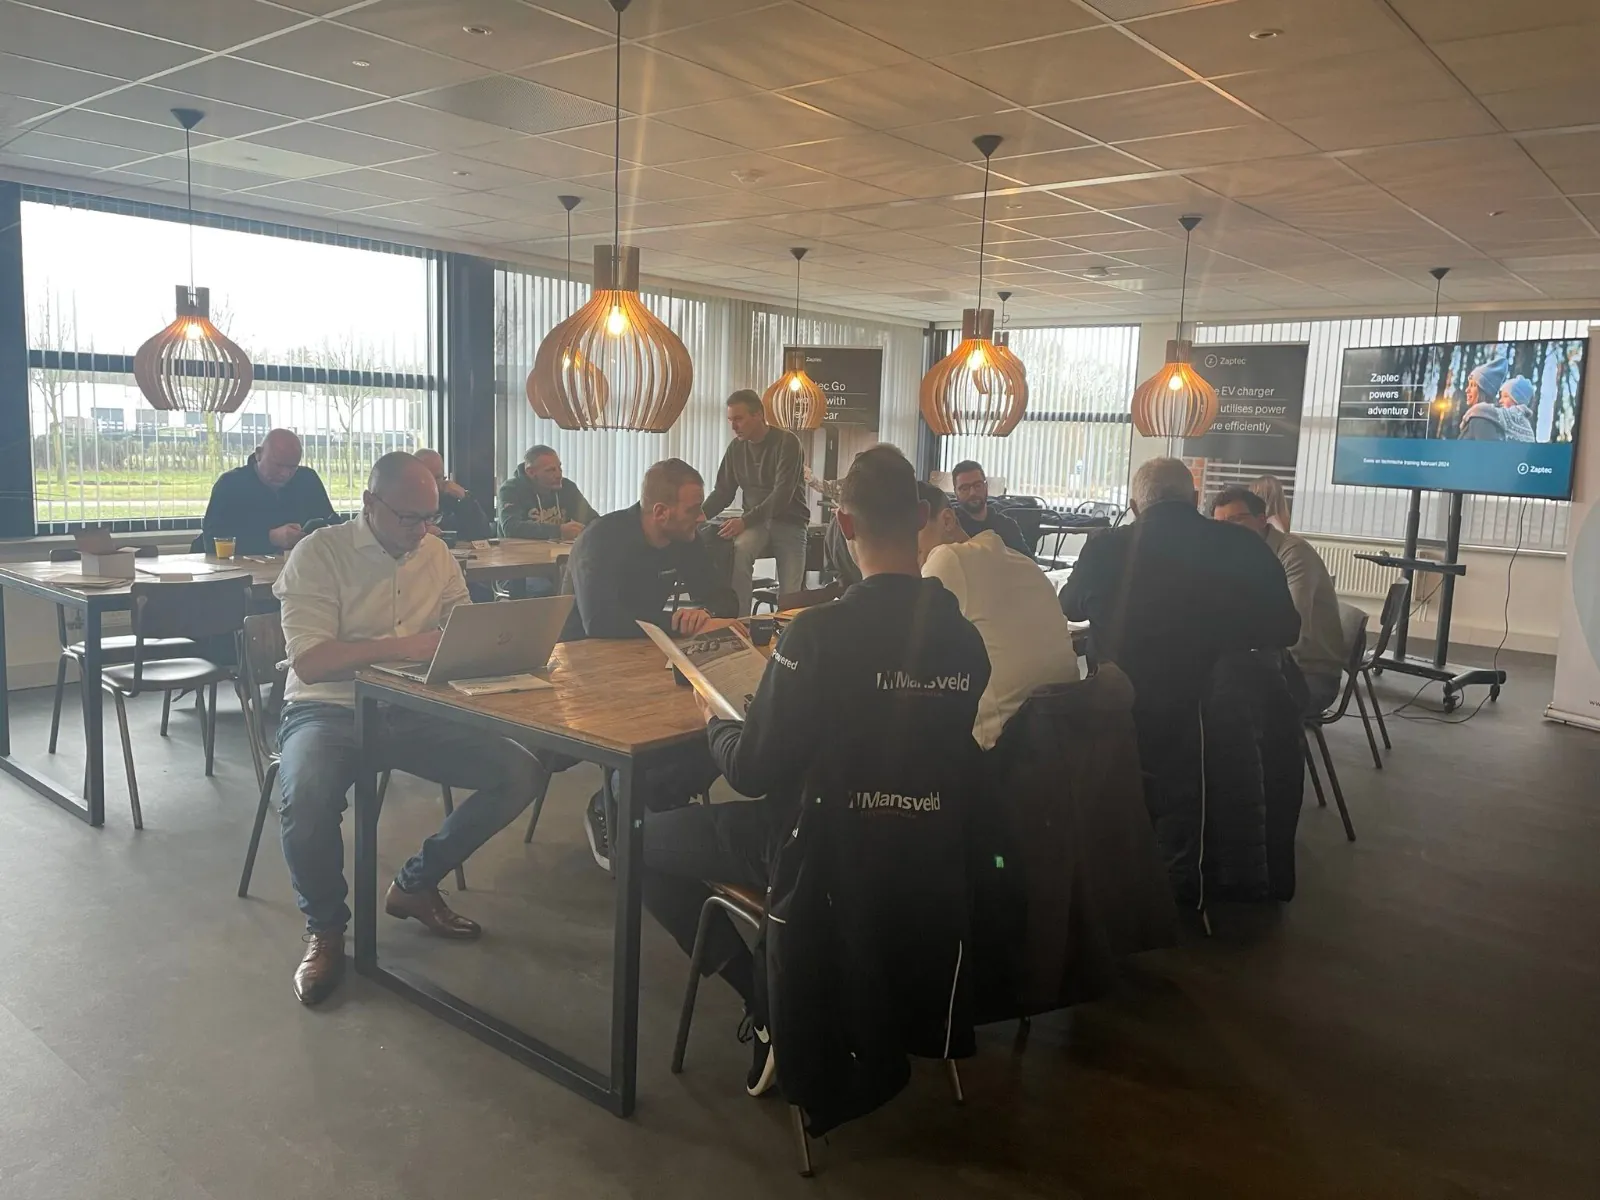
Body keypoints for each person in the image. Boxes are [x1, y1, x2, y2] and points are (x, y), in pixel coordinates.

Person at [643, 445, 990, 1098]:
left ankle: (763, 1000)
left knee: (637, 841)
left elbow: (751, 771)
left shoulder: (819, 634)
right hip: (925, 854)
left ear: (846, 524)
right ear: (921, 517)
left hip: (816, 851)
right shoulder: (965, 639)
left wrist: (714, 715)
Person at [273, 452, 545, 1006]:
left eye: (431, 517)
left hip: (412, 707)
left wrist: (500, 649)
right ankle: (325, 929)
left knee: (520, 772)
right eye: (409, 518)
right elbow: (312, 663)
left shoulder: (436, 553)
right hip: (328, 708)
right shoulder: (319, 554)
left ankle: (416, 883)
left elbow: (462, 624)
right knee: (307, 799)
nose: (422, 531)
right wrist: (406, 647)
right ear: (370, 504)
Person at [557, 459, 739, 869]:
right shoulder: (602, 539)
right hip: (583, 666)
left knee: (715, 726)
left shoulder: (685, 538)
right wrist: (675, 623)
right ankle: (612, 803)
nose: (702, 516)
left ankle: (647, 799)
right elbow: (599, 622)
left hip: (647, 654)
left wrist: (705, 613)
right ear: (661, 512)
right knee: (688, 729)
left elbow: (724, 597)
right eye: (694, 508)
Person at [1061, 457, 1299, 732]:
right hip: (1217, 725)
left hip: (1120, 721)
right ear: (1195, 499)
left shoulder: (1102, 548)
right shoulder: (1244, 543)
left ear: (1134, 507)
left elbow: (1069, 608)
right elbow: (1287, 629)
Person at [916, 481, 1078, 749]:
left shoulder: (947, 558)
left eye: (911, 530)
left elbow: (904, 646)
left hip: (1005, 747)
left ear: (946, 520)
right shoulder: (1025, 563)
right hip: (1068, 732)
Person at [1209, 485, 1345, 715]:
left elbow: (1294, 633)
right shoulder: (1237, 555)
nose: (1227, 531)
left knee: (1222, 700)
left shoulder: (1293, 554)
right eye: (1220, 525)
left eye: (1236, 520)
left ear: (1261, 520)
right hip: (1268, 662)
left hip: (1309, 674)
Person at [703, 390, 811, 616]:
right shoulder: (736, 448)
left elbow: (782, 495)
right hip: (756, 524)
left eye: (739, 419)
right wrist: (699, 515)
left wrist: (744, 521)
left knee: (790, 592)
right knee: (739, 554)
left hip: (790, 521)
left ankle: (786, 630)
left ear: (759, 415)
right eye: (731, 420)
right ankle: (741, 622)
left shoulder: (787, 442)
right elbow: (723, 491)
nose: (734, 427)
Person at [194, 428, 336, 555]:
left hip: (293, 567)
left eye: (292, 467)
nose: (285, 474)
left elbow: (333, 525)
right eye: (278, 465)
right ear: (258, 454)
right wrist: (270, 538)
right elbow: (212, 542)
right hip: (236, 570)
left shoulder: (307, 480)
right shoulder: (230, 484)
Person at [498, 445, 597, 540]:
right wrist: (559, 531)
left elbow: (593, 520)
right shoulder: (511, 489)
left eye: (559, 468)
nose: (559, 475)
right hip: (517, 550)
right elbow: (510, 528)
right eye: (551, 470)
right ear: (531, 472)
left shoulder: (567, 487)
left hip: (557, 549)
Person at [948, 460, 1030, 555]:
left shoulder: (1006, 526)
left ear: (986, 486)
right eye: (965, 488)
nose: (972, 493)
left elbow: (1028, 562)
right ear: (955, 492)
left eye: (977, 486)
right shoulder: (949, 526)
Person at [414, 448, 491, 542]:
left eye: (438, 477)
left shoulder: (450, 498)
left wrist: (465, 498)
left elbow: (483, 535)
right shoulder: (403, 500)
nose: (433, 483)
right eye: (428, 476)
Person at [1457, 358, 1511, 441]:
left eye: (1472, 385)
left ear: (1483, 391)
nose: (1467, 390)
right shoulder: (1481, 418)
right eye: (1468, 385)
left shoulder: (1482, 420)